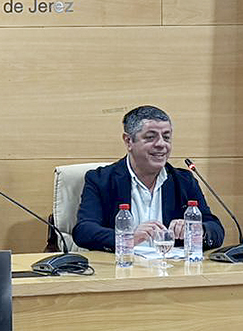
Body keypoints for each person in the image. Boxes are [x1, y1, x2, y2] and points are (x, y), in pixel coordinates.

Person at [73, 105, 226, 252]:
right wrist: (127, 238)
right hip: (123, 265)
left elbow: (215, 229)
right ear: (128, 141)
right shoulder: (101, 180)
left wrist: (197, 230)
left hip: (171, 267)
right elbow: (84, 231)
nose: (161, 144)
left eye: (166, 137)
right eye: (150, 137)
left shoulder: (183, 181)